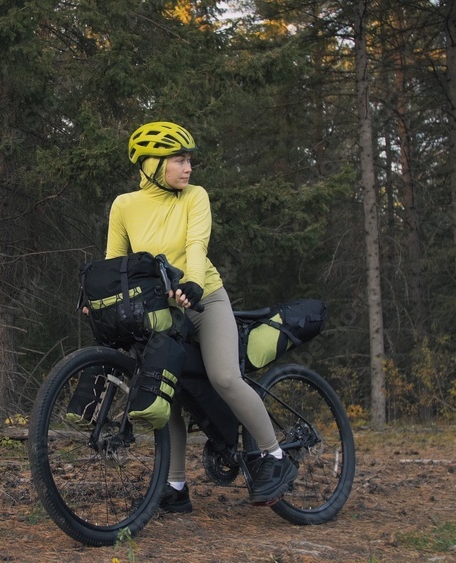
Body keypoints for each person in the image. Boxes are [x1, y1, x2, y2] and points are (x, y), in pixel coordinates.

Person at [106, 121, 298, 511]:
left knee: (225, 376)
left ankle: (275, 456)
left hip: (205, 298)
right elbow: (115, 265)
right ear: (151, 163)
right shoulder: (124, 206)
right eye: (178, 160)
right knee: (169, 392)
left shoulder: (194, 196)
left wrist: (192, 282)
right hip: (161, 311)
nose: (188, 168)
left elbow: (197, 244)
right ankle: (175, 486)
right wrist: (102, 298)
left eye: (189, 160)